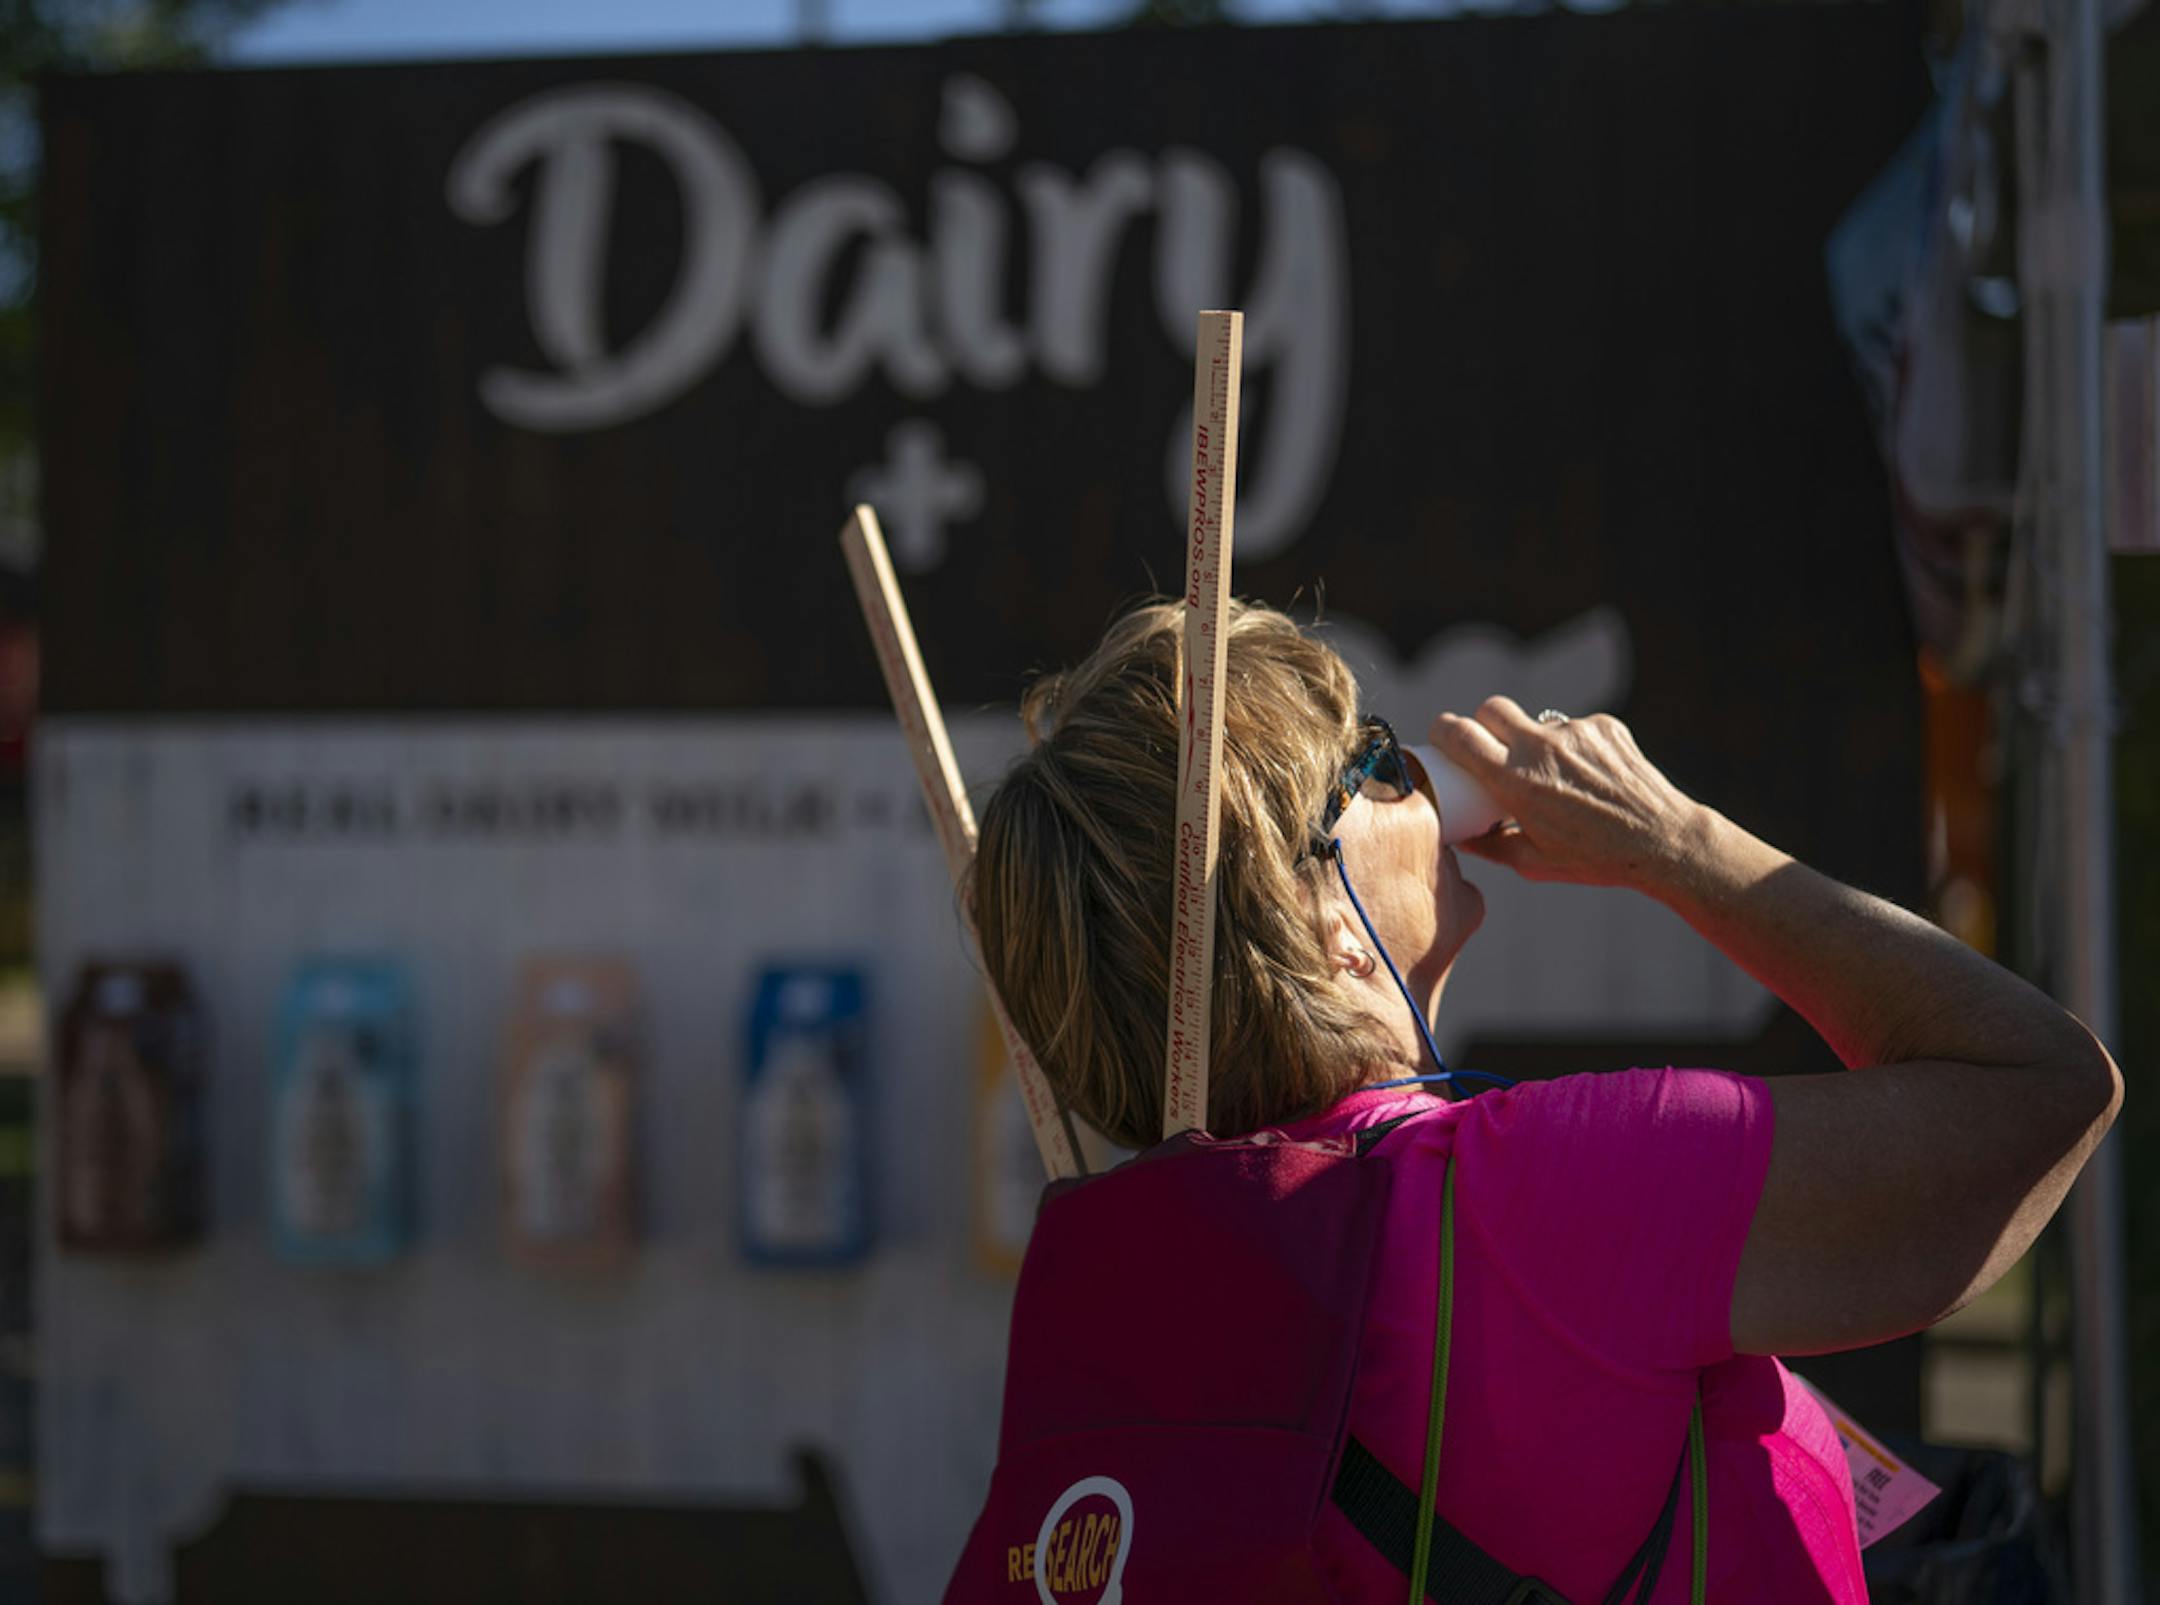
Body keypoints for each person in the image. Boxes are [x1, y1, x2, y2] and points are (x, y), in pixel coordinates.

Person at [960, 599, 2121, 1601]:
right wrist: (1678, 843)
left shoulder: (1150, 1281)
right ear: (1327, 931)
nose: (1408, 769)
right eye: (1369, 760)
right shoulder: (1548, 1193)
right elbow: (2039, 1089)